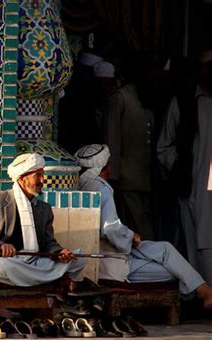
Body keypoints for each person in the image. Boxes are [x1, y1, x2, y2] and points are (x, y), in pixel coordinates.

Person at [75, 144, 212, 308]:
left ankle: (205, 292)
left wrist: (128, 235)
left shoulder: (78, 186)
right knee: (173, 272)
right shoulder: (102, 189)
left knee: (165, 249)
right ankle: (202, 292)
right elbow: (111, 228)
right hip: (111, 263)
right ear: (106, 167)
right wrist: (130, 236)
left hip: (110, 251)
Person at [0, 153, 86, 287]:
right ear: (22, 179)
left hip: (34, 261)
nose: (43, 181)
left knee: (79, 258)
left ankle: (27, 279)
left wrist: (59, 252)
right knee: (4, 267)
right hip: (5, 260)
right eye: (37, 176)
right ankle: (45, 279)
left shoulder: (44, 209)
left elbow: (49, 242)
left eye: (42, 175)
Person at [157, 50, 212, 285]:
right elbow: (164, 146)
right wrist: (181, 169)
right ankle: (202, 294)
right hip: (193, 188)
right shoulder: (185, 102)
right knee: (195, 239)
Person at [102, 52, 156, 240]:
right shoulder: (121, 97)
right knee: (138, 224)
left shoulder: (148, 97)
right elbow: (112, 139)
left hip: (147, 178)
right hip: (126, 177)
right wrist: (113, 173)